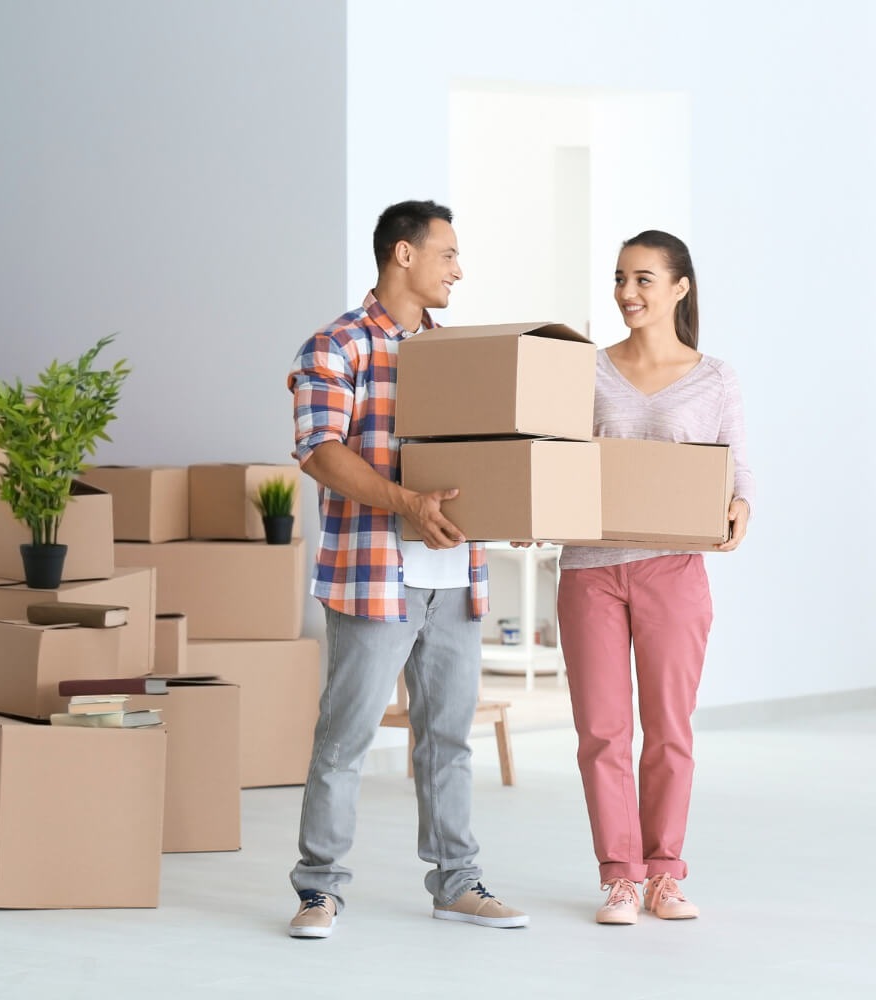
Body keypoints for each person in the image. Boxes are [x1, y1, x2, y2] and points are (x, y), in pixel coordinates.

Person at [283, 199, 530, 939]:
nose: (459, 268)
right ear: (404, 255)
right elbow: (320, 452)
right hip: (373, 572)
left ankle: (457, 883)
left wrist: (507, 509)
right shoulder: (335, 346)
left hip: (456, 579)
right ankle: (318, 890)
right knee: (346, 737)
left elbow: (487, 453)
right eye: (448, 254)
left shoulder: (460, 356)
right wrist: (405, 503)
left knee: (448, 738)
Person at [557, 230, 754, 925]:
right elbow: (555, 460)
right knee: (602, 732)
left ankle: (665, 873)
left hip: (674, 569)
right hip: (590, 568)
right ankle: (619, 876)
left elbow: (735, 463)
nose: (627, 293)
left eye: (643, 279)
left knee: (669, 728)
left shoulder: (713, 375)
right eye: (619, 278)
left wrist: (740, 504)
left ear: (680, 287)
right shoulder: (585, 369)